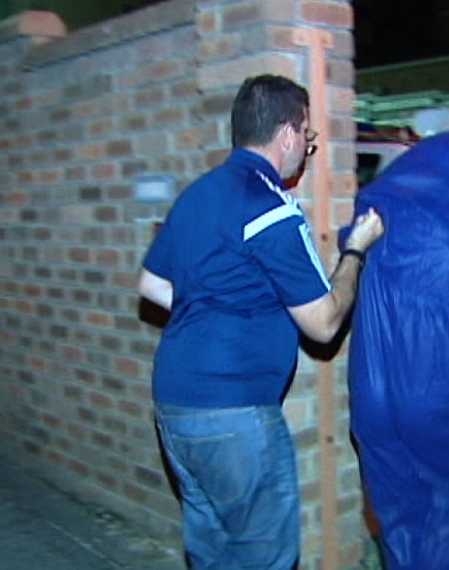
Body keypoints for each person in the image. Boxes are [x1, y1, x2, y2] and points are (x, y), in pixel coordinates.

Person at [136, 74, 384, 570]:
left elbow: (150, 283)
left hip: (175, 405)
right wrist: (356, 249)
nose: (307, 151)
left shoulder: (198, 195)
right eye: (309, 139)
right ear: (289, 133)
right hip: (236, 415)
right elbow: (324, 322)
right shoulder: (271, 210)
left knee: (211, 551)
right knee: (264, 556)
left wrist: (223, 304)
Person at [342, 130, 449, 569]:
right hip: (440, 400)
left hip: (373, 402)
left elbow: (351, 242)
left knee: (399, 509)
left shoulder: (382, 212)